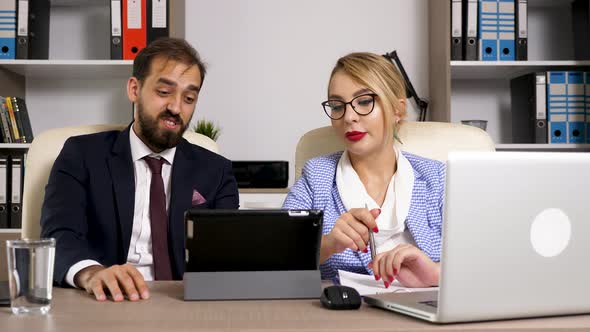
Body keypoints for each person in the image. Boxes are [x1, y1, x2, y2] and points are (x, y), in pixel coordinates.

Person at [40, 38, 239, 302]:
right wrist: (91, 273)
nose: (176, 108)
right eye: (164, 92)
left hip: (186, 305)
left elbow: (229, 255)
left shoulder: (216, 171)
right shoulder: (82, 155)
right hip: (108, 301)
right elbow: (59, 234)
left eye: (189, 98)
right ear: (134, 89)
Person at [283, 53, 444, 288]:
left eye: (364, 102)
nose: (348, 117)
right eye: (337, 106)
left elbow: (481, 260)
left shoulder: (437, 177)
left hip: (426, 311)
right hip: (345, 312)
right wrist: (327, 245)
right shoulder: (316, 177)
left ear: (397, 110)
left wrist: (436, 274)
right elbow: (278, 258)